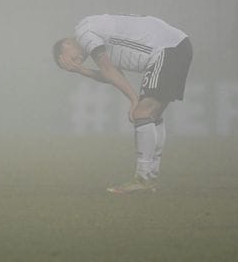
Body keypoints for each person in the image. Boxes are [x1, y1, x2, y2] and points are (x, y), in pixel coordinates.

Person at [53, 14, 192, 193]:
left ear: (67, 44)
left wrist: (135, 100)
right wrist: (80, 70)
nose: (74, 62)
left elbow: (108, 70)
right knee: (152, 115)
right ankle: (150, 176)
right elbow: (113, 75)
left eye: (68, 58)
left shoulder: (84, 32)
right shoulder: (96, 37)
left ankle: (143, 179)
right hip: (176, 46)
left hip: (166, 50)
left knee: (141, 113)